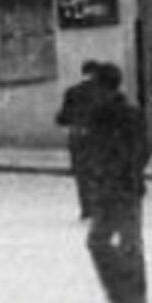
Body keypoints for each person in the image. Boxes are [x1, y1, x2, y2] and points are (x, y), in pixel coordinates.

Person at [80, 62, 149, 303]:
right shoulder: (97, 116)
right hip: (110, 189)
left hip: (124, 188)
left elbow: (139, 152)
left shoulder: (127, 115)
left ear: (104, 87)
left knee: (128, 245)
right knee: (101, 242)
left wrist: (121, 175)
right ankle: (125, 302)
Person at [56, 60, 105, 219]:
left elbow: (62, 118)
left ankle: (86, 208)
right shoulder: (103, 92)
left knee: (82, 173)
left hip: (78, 136)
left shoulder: (72, 92)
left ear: (83, 73)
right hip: (100, 137)